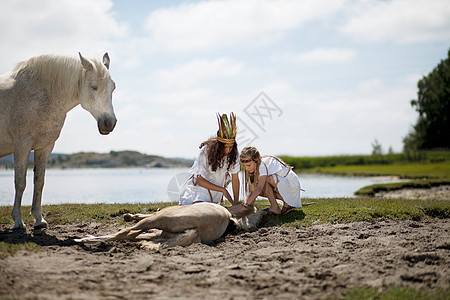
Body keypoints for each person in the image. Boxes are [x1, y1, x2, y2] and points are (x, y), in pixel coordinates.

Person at [179, 113, 240, 205]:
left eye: (231, 147)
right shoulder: (206, 152)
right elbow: (200, 180)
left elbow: (235, 179)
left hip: (215, 194)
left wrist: (236, 202)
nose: (228, 150)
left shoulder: (233, 154)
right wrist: (223, 190)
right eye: (225, 147)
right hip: (197, 192)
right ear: (219, 146)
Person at [239, 146, 302, 214]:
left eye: (248, 165)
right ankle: (287, 203)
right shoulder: (258, 165)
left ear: (257, 160)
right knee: (252, 187)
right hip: (285, 185)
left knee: (265, 180)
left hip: (291, 185)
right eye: (244, 166)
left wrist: (246, 204)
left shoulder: (262, 165)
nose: (246, 169)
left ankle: (277, 207)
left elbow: (259, 188)